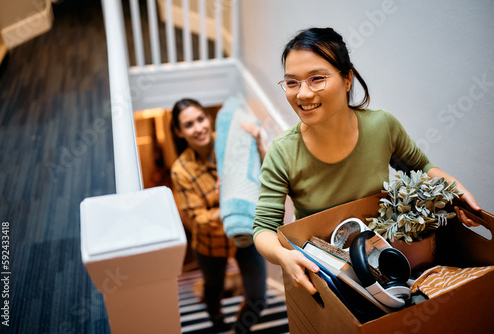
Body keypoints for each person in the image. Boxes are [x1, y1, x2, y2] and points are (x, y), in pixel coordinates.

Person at [252, 27, 481, 296]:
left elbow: (422, 167)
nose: (302, 94)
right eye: (292, 82)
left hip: (386, 263)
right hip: (326, 276)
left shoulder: (382, 126)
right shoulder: (283, 152)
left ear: (347, 79)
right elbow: (263, 229)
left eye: (317, 79)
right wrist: (283, 256)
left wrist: (455, 190)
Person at [170, 98, 267, 333]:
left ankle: (240, 330)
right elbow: (196, 220)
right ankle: (215, 318)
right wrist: (225, 202)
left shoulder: (229, 143)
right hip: (209, 243)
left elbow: (262, 174)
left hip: (245, 229)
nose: (199, 128)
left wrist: (259, 144)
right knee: (213, 287)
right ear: (179, 132)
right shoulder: (180, 171)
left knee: (258, 296)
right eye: (189, 124)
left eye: (201, 119)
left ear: (209, 118)